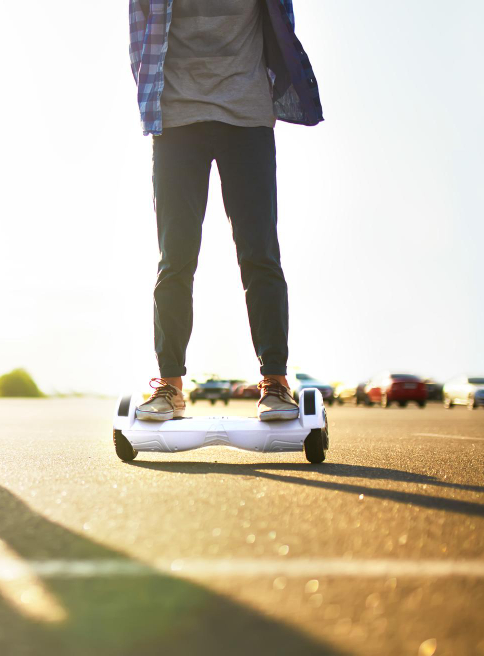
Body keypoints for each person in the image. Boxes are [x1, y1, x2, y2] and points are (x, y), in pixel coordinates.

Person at [128, 0, 323, 421]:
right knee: (175, 259)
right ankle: (171, 386)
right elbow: (139, 39)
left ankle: (274, 382)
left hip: (247, 118)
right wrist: (153, 103)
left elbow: (281, 26)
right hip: (178, 120)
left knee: (260, 254)